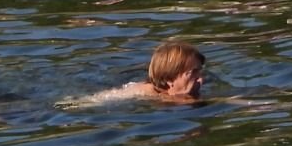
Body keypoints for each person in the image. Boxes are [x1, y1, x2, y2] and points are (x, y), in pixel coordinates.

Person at [68, 40, 206, 106]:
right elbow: (95, 100)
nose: (201, 79)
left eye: (199, 71)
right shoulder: (143, 92)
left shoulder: (191, 89)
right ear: (169, 79)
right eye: (192, 73)